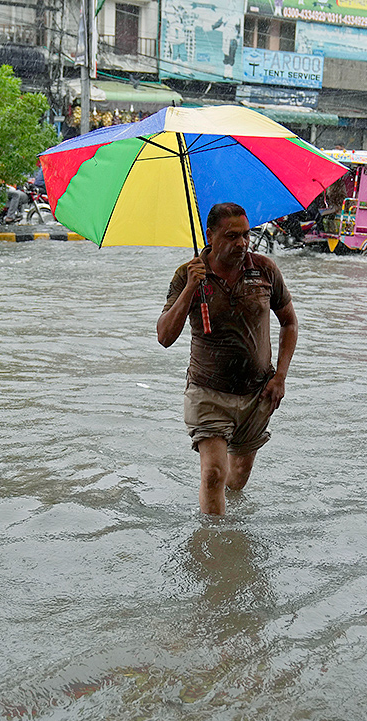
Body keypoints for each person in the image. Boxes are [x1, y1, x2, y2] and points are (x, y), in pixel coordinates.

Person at [157, 202, 298, 516]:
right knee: (213, 474)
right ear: (211, 235)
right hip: (207, 393)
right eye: (232, 236)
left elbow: (289, 322)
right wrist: (191, 288)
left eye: (246, 235)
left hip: (257, 393)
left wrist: (281, 377)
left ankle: (230, 532)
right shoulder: (187, 275)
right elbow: (164, 336)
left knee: (238, 476)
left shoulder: (264, 269)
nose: (242, 243)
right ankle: (214, 555)